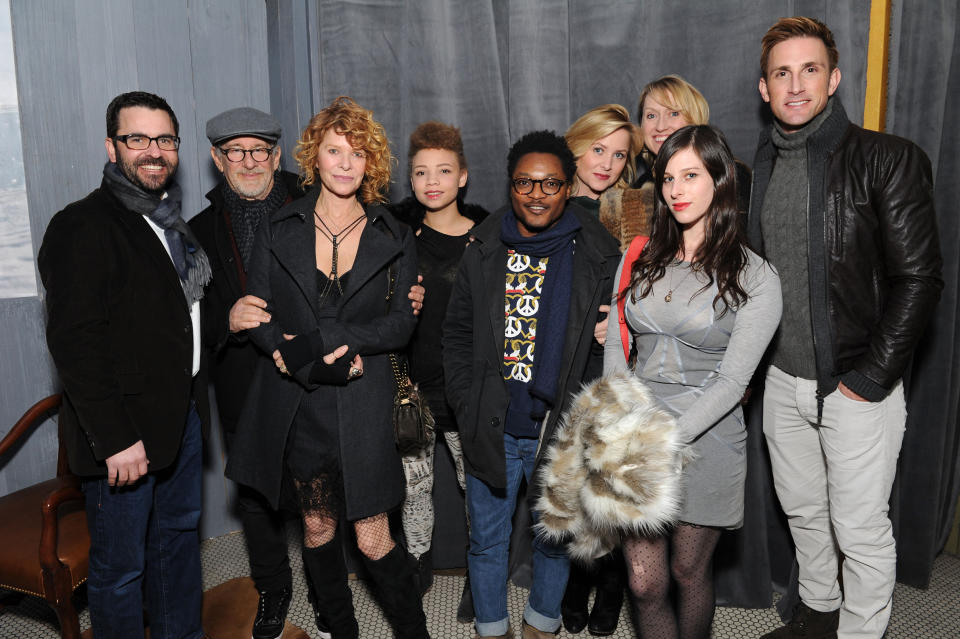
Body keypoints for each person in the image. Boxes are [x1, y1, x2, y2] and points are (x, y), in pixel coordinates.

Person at [750, 17, 942, 639]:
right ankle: (817, 614)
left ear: (833, 79)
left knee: (859, 529)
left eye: (809, 69)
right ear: (764, 88)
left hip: (858, 384)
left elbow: (920, 280)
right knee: (805, 514)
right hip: (782, 381)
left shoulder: (888, 159)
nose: (796, 84)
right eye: (782, 72)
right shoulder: (759, 170)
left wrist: (870, 378)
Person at [224, 96, 428, 639]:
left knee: (373, 535)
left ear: (371, 163)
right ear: (314, 157)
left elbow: (400, 326)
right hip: (299, 402)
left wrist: (328, 340)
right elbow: (258, 311)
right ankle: (342, 631)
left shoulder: (394, 234)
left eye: (357, 154)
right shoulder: (280, 226)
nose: (344, 163)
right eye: (334, 150)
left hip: (363, 399)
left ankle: (415, 633)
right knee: (316, 525)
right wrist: (285, 350)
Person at [38, 91, 210, 639]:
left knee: (177, 549)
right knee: (119, 572)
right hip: (124, 437)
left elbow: (175, 320)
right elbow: (76, 343)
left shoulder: (172, 224)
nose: (152, 151)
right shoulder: (81, 226)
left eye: (164, 139)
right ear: (112, 147)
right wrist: (114, 439)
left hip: (179, 419)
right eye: (137, 139)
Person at [605, 125, 782, 639]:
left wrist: (663, 443)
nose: (676, 190)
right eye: (667, 178)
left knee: (688, 571)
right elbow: (619, 344)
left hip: (707, 437)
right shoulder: (639, 256)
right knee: (642, 581)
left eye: (691, 175)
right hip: (637, 429)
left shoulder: (755, 277)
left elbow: (732, 383)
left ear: (719, 180)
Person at [443, 130, 621, 639]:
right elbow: (456, 332)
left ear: (568, 187)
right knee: (487, 541)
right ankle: (491, 629)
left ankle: (541, 625)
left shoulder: (598, 253)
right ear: (510, 185)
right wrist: (465, 399)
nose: (537, 194)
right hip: (492, 420)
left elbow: (608, 350)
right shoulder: (483, 246)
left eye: (550, 183)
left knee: (554, 539)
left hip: (560, 426)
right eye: (525, 182)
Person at [387, 121, 489, 617]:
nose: (433, 181)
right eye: (421, 172)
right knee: (414, 489)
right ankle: (417, 567)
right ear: (410, 180)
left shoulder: (488, 237)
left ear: (463, 177)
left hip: (468, 392)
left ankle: (481, 575)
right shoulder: (399, 239)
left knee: (477, 492)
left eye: (444, 171)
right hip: (414, 390)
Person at [559, 103, 644, 636]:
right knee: (569, 477)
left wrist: (621, 318)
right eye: (598, 149)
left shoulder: (635, 208)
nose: (607, 163)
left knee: (609, 479)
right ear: (576, 146)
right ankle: (574, 580)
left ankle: (611, 586)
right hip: (564, 359)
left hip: (616, 358)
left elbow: (658, 277)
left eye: (619, 155)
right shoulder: (547, 199)